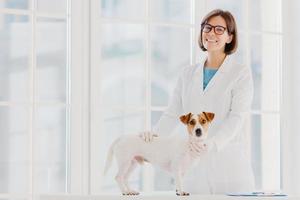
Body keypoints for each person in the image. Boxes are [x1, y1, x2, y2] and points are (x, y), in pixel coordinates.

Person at [141, 9, 255, 194]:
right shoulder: (187, 74)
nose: (211, 33)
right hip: (193, 164)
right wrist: (153, 139)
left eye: (219, 29)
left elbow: (237, 117)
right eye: (207, 27)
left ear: (229, 37)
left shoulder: (240, 73)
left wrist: (213, 143)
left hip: (229, 163)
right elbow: (172, 113)